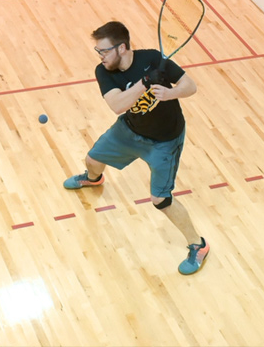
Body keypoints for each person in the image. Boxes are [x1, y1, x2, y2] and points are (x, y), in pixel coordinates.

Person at [63, 21, 209, 275]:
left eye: (104, 51)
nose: (100, 56)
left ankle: (199, 245)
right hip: (129, 132)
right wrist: (144, 83)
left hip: (165, 141)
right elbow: (117, 105)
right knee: (92, 159)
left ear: (122, 48)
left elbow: (190, 86)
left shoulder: (153, 58)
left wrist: (170, 93)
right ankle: (93, 180)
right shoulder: (104, 71)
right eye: (98, 51)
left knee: (160, 200)